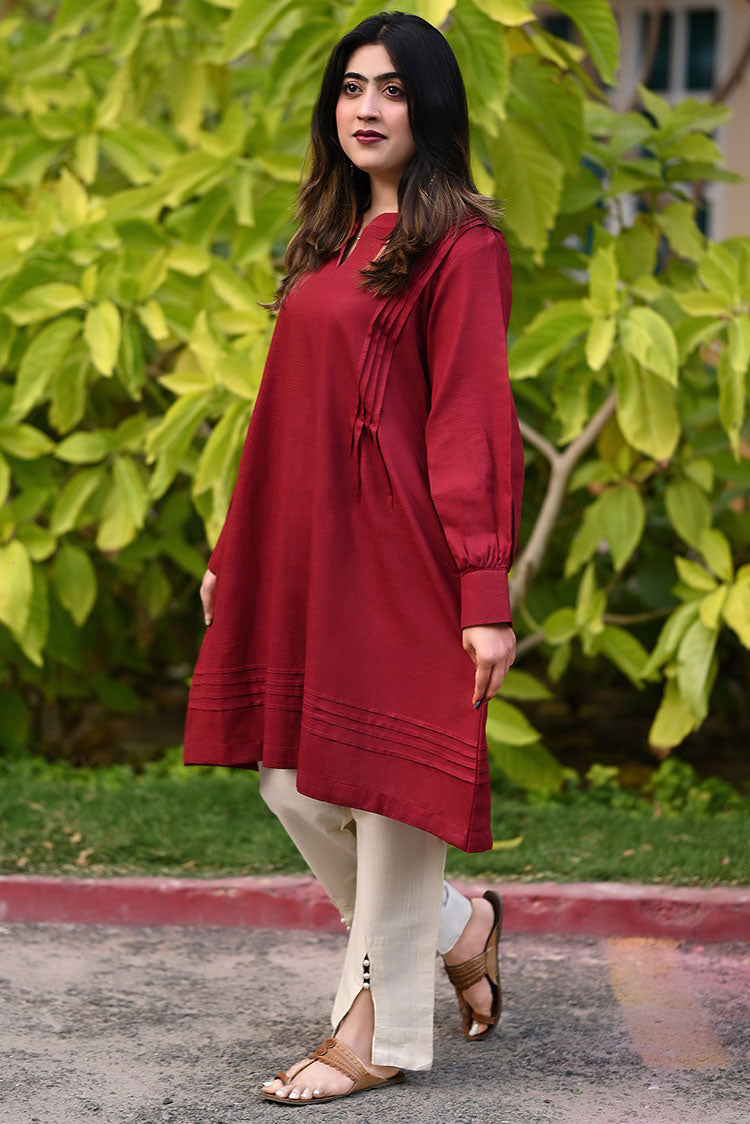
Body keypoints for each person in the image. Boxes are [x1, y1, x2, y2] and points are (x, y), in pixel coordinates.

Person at [183, 8, 524, 1106]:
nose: (367, 108)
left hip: (405, 555)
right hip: (310, 550)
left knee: (389, 796)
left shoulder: (461, 244)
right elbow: (281, 412)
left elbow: (470, 418)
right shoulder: (331, 237)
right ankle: (460, 927)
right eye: (351, 87)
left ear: (432, 107)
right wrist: (236, 549)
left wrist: (483, 590)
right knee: (291, 781)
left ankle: (371, 1035)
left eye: (392, 88)